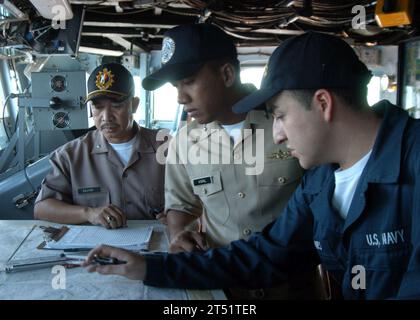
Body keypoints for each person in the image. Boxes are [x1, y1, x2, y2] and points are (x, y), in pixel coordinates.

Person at [84, 31, 420, 299]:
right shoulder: (322, 181)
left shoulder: (411, 164)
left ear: (322, 103)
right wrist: (149, 267)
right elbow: (267, 254)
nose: (277, 135)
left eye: (280, 115)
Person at [142, 23, 306, 299]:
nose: (181, 97)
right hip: (223, 288)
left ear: (227, 73)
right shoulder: (184, 142)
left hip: (293, 287)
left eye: (189, 81)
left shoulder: (289, 122)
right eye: (176, 86)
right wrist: (180, 234)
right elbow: (181, 205)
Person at [34, 63, 166, 229]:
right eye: (98, 107)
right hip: (96, 251)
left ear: (134, 105)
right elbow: (42, 208)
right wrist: (89, 213)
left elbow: (198, 200)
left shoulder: (167, 148)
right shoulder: (70, 156)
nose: (106, 117)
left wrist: (179, 215)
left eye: (117, 106)